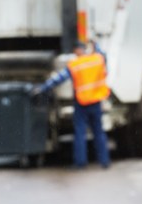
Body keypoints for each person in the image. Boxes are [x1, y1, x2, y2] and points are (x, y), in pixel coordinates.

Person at [35, 41, 111, 169]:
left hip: (82, 104)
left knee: (80, 133)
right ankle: (104, 161)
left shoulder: (75, 64)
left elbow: (58, 79)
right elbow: (103, 55)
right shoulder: (97, 60)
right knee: (99, 132)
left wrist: (42, 88)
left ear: (77, 50)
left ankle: (80, 163)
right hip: (96, 102)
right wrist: (94, 43)